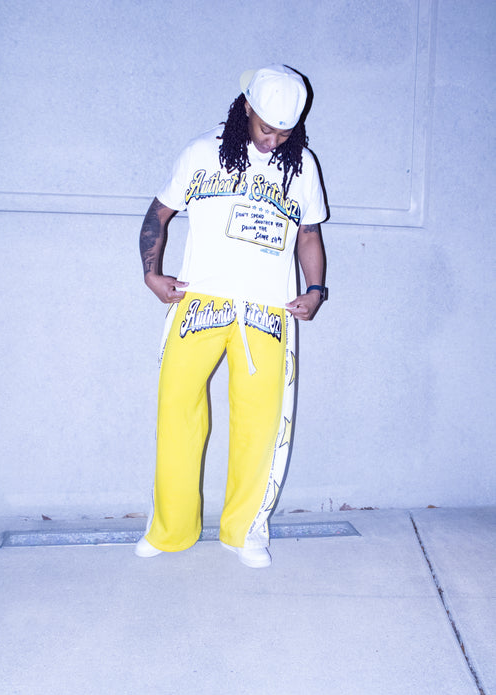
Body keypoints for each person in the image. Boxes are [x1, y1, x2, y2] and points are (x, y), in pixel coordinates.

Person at [135, 64, 327, 568]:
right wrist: (152, 272)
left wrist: (315, 290)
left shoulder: (302, 166)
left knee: (260, 423)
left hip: (268, 309)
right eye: (266, 128)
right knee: (177, 413)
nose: (273, 141)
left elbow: (309, 234)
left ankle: (245, 531)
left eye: (285, 132)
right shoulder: (201, 152)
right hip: (199, 300)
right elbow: (159, 213)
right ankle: (170, 530)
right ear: (246, 108)